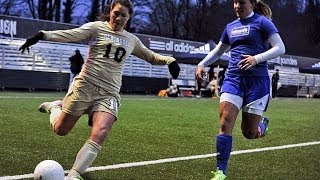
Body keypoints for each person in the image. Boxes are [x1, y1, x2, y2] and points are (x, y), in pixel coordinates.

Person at [18, 0, 180, 179]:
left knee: (101, 130)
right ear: (111, 11)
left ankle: (74, 174)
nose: (118, 18)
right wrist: (42, 35)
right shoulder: (96, 28)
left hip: (109, 93)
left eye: (123, 15)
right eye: (116, 13)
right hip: (84, 87)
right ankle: (55, 107)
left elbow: (151, 56)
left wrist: (169, 60)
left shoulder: (131, 40)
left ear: (129, 17)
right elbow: (70, 35)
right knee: (61, 129)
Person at [195, 0, 285, 179]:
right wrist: (201, 64)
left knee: (249, 133)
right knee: (225, 123)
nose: (237, 6)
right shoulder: (230, 27)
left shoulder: (262, 23)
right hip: (233, 79)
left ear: (251, 3)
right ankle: (221, 171)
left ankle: (261, 125)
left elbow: (280, 47)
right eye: (235, 2)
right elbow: (219, 51)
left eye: (242, 2)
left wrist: (256, 58)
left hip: (257, 82)